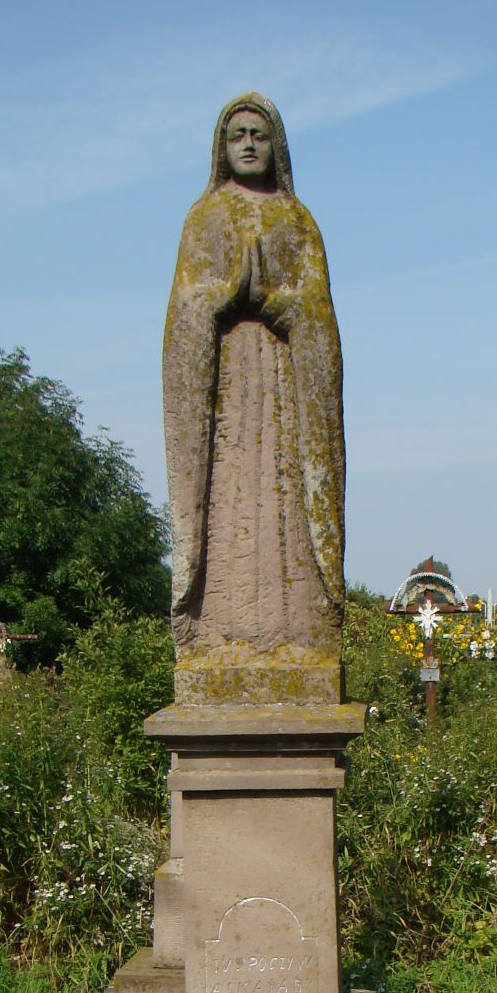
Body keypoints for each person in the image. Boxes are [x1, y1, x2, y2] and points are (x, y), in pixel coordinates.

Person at [163, 93, 344, 662]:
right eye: (236, 134)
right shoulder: (205, 220)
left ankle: (297, 633)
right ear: (221, 146)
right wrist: (219, 299)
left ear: (276, 146)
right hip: (223, 395)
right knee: (230, 502)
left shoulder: (298, 221)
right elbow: (183, 316)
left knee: (284, 503)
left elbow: (321, 320)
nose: (247, 143)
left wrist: (281, 306)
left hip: (286, 391)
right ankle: (217, 630)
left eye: (258, 134)